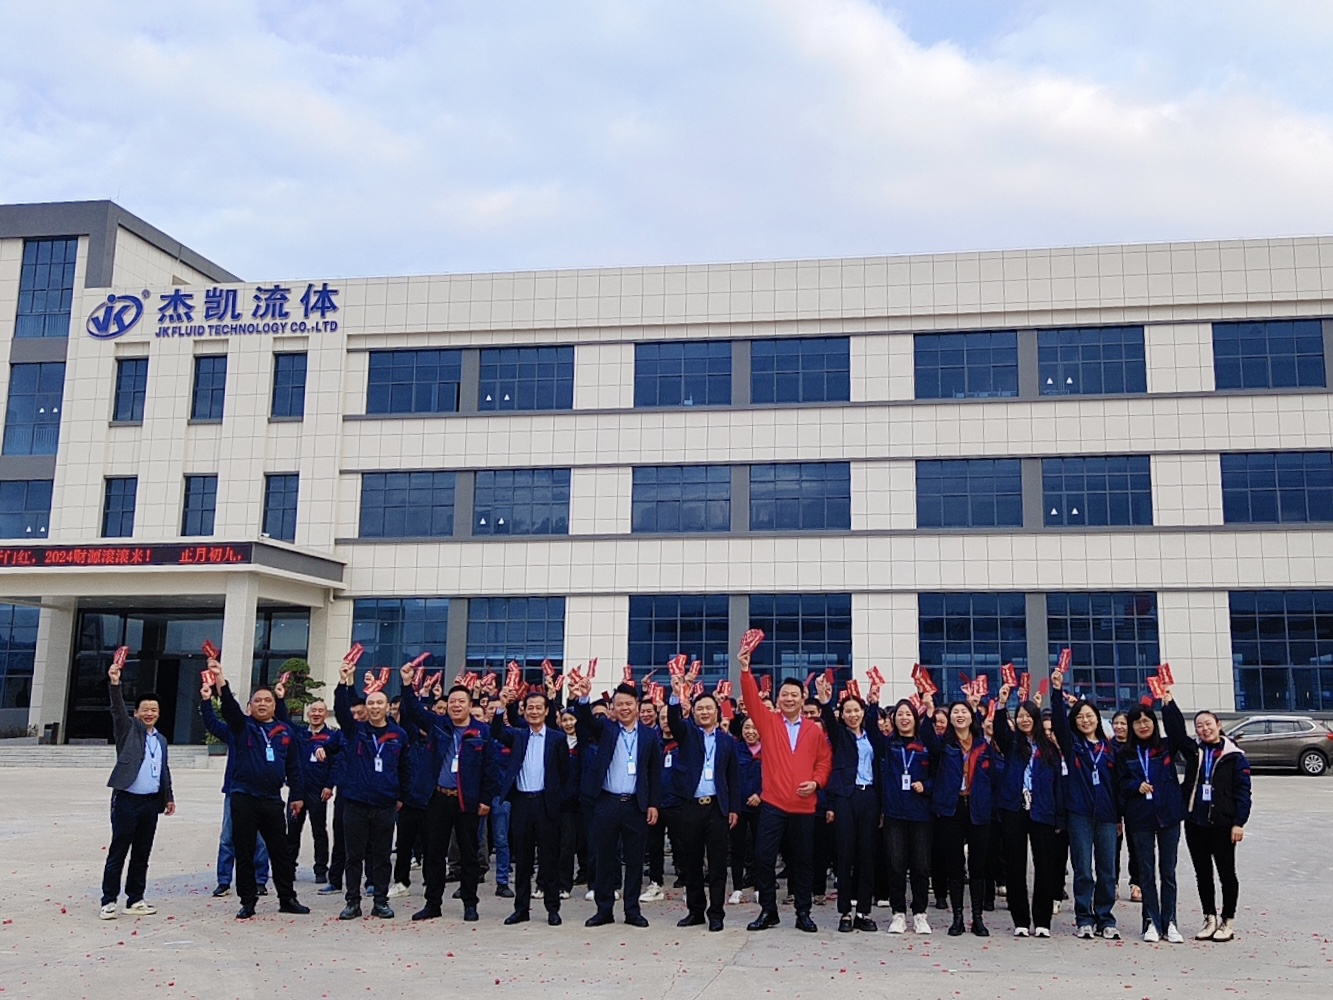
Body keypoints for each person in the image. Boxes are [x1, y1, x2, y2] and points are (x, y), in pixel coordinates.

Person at [200, 658, 309, 919]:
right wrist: (219, 679)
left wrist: (297, 795)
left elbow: (294, 767)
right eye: (257, 700)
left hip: (272, 799)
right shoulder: (242, 727)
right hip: (244, 797)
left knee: (280, 852)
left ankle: (287, 898)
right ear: (250, 706)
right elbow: (228, 708)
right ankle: (248, 901)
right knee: (245, 851)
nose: (262, 704)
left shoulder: (285, 731)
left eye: (267, 700)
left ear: (274, 705)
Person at [738, 654, 832, 934]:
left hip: (804, 806)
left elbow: (824, 761)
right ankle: (768, 910)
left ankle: (803, 912)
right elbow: (751, 699)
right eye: (784, 694)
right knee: (763, 858)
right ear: (777, 698)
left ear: (803, 699)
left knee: (802, 861)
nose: (789, 699)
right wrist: (745, 670)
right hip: (773, 804)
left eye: (794, 695)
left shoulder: (814, 731)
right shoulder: (768, 722)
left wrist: (816, 782)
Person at [398, 679, 499, 922]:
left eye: (461, 702)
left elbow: (491, 768)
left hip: (467, 801)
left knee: (468, 854)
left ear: (470, 705)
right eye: (452, 701)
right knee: (434, 853)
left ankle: (470, 903)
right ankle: (433, 903)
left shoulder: (482, 732)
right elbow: (413, 710)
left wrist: (486, 799)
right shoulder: (438, 725)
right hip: (438, 798)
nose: (456, 705)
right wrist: (407, 684)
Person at [571, 674, 663, 928]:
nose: (624, 708)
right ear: (612, 707)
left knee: (634, 860)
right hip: (607, 802)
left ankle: (632, 910)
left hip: (636, 805)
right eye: (619, 704)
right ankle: (604, 910)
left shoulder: (649, 735)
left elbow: (654, 773)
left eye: (628, 704)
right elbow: (586, 720)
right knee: (604, 858)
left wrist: (653, 804)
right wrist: (584, 697)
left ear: (637, 705)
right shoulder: (606, 729)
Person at [333, 661, 410, 920]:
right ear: (366, 707)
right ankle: (352, 902)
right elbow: (341, 710)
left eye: (380, 703)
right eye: (371, 703)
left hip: (384, 804)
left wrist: (400, 797)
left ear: (388, 707)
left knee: (382, 857)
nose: (375, 707)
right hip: (355, 803)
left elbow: (405, 769)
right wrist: (344, 682)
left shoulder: (399, 735)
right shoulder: (356, 731)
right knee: (353, 856)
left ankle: (380, 901)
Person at [490, 679, 570, 926]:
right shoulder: (517, 735)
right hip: (522, 803)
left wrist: (557, 799)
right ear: (524, 711)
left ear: (546, 711)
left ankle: (552, 908)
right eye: (529, 707)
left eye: (538, 708)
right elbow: (496, 732)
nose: (534, 711)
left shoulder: (557, 738)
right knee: (522, 859)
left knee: (549, 859)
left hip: (546, 803)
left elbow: (564, 773)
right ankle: (521, 908)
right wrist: (501, 706)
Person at [100, 657, 175, 919]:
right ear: (136, 713)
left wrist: (168, 797)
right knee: (119, 851)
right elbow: (117, 711)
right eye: (145, 709)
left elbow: (163, 770)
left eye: (154, 710)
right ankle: (109, 900)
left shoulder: (161, 740)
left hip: (150, 803)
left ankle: (135, 899)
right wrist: (115, 684)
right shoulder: (128, 731)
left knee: (142, 854)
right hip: (127, 801)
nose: (149, 713)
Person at [666, 675, 740, 932]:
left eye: (709, 708)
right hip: (690, 807)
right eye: (700, 709)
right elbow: (673, 721)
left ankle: (716, 914)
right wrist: (675, 696)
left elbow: (733, 778)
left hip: (717, 808)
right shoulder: (688, 734)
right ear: (694, 713)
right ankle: (695, 911)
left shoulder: (727, 741)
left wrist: (733, 808)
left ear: (717, 712)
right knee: (692, 861)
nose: (705, 712)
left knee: (717, 865)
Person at [1050, 669, 1120, 939]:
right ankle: (1084, 918)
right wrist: (1057, 691)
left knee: (1107, 871)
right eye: (1080, 717)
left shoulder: (1110, 748)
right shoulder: (1073, 745)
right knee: (1083, 870)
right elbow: (1058, 723)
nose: (1085, 720)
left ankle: (1105, 918)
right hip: (1079, 813)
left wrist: (1119, 816)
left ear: (1097, 719)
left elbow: (1118, 783)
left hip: (1107, 815)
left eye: (1089, 716)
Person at [1119, 689, 1191, 943]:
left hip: (1168, 815)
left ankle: (1170, 921)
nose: (1142, 725)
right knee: (1146, 872)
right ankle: (1150, 921)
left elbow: (1179, 733)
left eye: (1147, 720)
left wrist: (1168, 704)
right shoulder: (1125, 753)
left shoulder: (1166, 747)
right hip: (1140, 818)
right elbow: (1119, 782)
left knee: (1168, 872)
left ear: (1154, 722)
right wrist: (1134, 785)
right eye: (1137, 722)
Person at [992, 686, 1064, 937]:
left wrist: (1059, 817)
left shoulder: (1049, 749)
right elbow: (999, 731)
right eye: (1020, 716)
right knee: (1015, 865)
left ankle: (1042, 921)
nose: (1024, 719)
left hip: (1043, 810)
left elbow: (1058, 785)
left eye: (1028, 715)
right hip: (1014, 808)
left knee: (1044, 866)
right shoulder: (1013, 744)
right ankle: (1021, 920)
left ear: (1035, 718)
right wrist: (1002, 704)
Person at [814, 674, 883, 933]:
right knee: (845, 854)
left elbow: (876, 728)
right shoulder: (840, 736)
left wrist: (874, 703)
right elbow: (829, 724)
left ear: (862, 713)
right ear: (842, 715)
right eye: (848, 711)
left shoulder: (871, 736)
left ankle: (863, 911)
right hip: (845, 797)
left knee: (867, 855)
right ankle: (845, 911)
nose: (853, 715)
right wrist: (824, 701)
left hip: (869, 797)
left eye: (856, 710)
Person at [1180, 706, 1251, 942]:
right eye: (1199, 726)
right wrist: (1167, 702)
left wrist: (1239, 822)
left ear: (1219, 725)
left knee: (1227, 874)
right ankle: (1209, 918)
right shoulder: (1194, 752)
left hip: (1223, 824)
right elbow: (1176, 733)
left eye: (1208, 724)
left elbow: (1243, 792)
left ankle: (1227, 921)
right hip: (1195, 823)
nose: (1204, 729)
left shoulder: (1234, 756)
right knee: (1203, 874)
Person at [931, 700, 997, 937]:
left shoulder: (983, 744)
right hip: (951, 807)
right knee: (954, 864)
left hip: (978, 807)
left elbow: (995, 773)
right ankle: (957, 917)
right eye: (955, 712)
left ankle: (977, 918)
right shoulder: (943, 744)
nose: (959, 715)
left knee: (978, 865)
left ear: (972, 716)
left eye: (964, 711)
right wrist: (928, 707)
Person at [877, 697, 937, 934]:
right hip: (895, 814)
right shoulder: (888, 745)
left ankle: (920, 914)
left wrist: (926, 786)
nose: (904, 718)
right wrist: (872, 704)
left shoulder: (925, 745)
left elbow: (938, 772)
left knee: (921, 867)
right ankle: (898, 913)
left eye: (908, 714)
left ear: (915, 717)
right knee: (896, 866)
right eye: (900, 714)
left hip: (921, 814)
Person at [281, 694, 339, 886]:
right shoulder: (299, 733)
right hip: (297, 792)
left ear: (325, 714)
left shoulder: (332, 737)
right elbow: (283, 720)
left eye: (320, 711)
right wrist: (280, 699)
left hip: (318, 792)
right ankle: (288, 868)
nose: (316, 714)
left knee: (319, 831)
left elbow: (335, 764)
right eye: (313, 710)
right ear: (308, 713)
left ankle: (321, 870)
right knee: (292, 831)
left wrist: (329, 785)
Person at [729, 715, 762, 905]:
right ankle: (737, 888)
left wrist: (760, 794)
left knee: (760, 848)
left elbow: (774, 776)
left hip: (760, 805)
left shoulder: (769, 750)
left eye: (754, 728)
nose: (750, 732)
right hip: (738, 806)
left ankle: (759, 887)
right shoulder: (735, 749)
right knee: (737, 848)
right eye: (747, 728)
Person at [1110, 710, 1142, 904]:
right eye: (1116, 723)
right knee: (1112, 846)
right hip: (1112, 802)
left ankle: (1136, 883)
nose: (1119, 727)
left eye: (1123, 723)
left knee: (1136, 845)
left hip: (1134, 801)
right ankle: (1111, 883)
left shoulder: (1137, 747)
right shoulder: (1107, 747)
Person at [556, 707, 586, 897]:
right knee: (565, 844)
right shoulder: (558, 742)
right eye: (565, 720)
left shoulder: (585, 742)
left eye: (571, 719)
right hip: (564, 801)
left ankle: (588, 876)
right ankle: (563, 885)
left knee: (584, 842)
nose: (568, 723)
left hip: (583, 799)